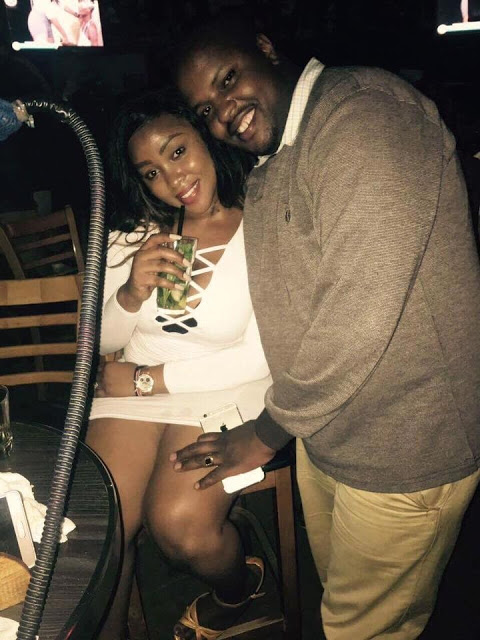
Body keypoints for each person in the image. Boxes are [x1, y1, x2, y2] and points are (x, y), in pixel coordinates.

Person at [171, 12, 480, 640]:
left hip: (407, 442)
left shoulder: (362, 116)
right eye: (205, 110)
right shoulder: (279, 159)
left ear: (265, 48)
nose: (224, 112)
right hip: (329, 432)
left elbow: (358, 306)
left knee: (360, 629)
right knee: (343, 606)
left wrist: (266, 432)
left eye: (227, 80)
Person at [87, 87, 270, 640]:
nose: (172, 178)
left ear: (206, 137)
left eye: (177, 151)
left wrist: (145, 381)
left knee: (180, 528)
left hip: (224, 387)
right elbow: (97, 340)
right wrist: (129, 294)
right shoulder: (134, 232)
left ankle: (239, 588)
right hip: (132, 386)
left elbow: (259, 356)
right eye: (151, 172)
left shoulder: (264, 222)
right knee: (100, 525)